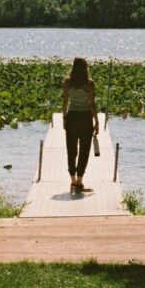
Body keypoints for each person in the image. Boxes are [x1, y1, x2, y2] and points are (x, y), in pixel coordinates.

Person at [62, 57, 100, 193]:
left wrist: (64, 118)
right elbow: (92, 103)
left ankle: (73, 181)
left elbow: (65, 102)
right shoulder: (89, 83)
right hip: (85, 118)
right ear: (85, 68)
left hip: (72, 117)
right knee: (84, 150)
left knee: (71, 150)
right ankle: (79, 181)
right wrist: (97, 121)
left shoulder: (67, 82)